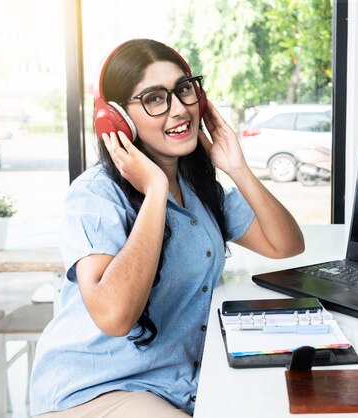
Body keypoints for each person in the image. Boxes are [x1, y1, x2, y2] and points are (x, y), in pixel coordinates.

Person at [29, 39, 304, 417]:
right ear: (117, 119)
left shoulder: (200, 189)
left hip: (177, 384)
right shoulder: (94, 195)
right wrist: (155, 190)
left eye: (183, 90)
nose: (178, 109)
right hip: (99, 387)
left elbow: (285, 244)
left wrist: (237, 167)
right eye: (155, 98)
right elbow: (114, 316)